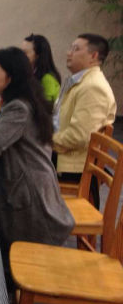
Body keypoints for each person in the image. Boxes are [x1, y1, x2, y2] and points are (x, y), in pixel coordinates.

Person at [0, 47, 74, 260]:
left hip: (31, 200)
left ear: (11, 76)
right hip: (24, 184)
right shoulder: (17, 101)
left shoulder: (19, 108)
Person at [52, 33, 116, 207]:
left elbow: (78, 137)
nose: (69, 53)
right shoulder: (79, 82)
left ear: (93, 56)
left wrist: (44, 141)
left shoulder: (93, 87)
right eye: (70, 48)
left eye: (76, 49)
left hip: (72, 165)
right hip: (62, 153)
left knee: (13, 165)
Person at [21, 34, 61, 105]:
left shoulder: (47, 79)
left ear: (37, 56)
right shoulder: (26, 74)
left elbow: (46, 108)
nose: (20, 56)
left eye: (25, 53)